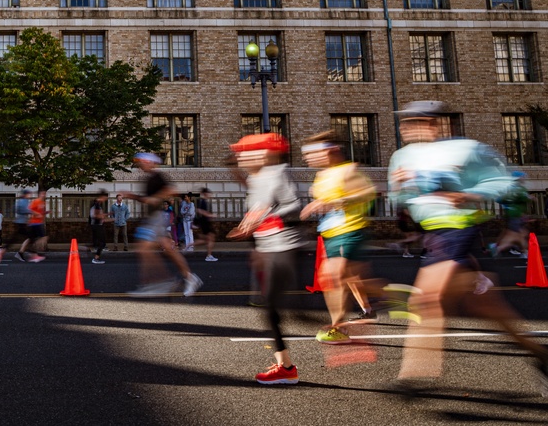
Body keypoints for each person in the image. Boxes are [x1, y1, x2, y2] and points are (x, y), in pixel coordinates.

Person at [388, 100, 548, 393]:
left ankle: (415, 376)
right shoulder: (401, 156)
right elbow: (401, 201)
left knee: (425, 299)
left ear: (434, 124)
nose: (407, 128)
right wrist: (399, 189)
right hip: (433, 237)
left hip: (460, 230)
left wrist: (471, 195)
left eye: (415, 122)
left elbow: (509, 182)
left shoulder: (466, 149)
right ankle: (542, 355)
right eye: (404, 123)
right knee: (489, 308)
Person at [228, 133, 303, 385]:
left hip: (283, 247)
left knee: (274, 308)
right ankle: (286, 367)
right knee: (270, 308)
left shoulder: (278, 173)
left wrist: (261, 220)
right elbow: (260, 210)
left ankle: (288, 368)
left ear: (263, 154)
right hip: (268, 248)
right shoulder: (255, 177)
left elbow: (293, 206)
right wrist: (252, 237)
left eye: (244, 152)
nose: (240, 156)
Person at [299, 130, 380, 345]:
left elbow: (369, 193)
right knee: (346, 279)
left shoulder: (348, 171)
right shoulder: (321, 176)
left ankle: (338, 329)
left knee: (334, 276)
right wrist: (315, 205)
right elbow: (325, 202)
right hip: (331, 235)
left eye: (313, 153)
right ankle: (397, 298)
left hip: (351, 230)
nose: (308, 158)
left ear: (331, 150)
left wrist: (337, 202)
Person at [121, 153, 202, 298]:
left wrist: (155, 198)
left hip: (155, 218)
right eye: (140, 162)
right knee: (169, 250)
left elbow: (172, 191)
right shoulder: (148, 178)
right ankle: (190, 278)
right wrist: (133, 196)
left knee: (143, 249)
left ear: (151, 163)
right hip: (153, 218)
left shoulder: (157, 177)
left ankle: (158, 282)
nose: (141, 165)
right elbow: (147, 200)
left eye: (143, 162)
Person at [490, 172, 530, 258]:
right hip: (515, 215)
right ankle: (499, 248)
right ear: (518, 178)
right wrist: (530, 198)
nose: (524, 178)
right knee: (516, 236)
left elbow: (500, 199)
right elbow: (523, 198)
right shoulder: (519, 189)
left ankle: (497, 247)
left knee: (520, 234)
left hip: (513, 215)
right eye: (522, 177)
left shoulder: (511, 188)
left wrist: (508, 206)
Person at [0, 189, 31, 263]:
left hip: (21, 222)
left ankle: (4, 251)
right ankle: (20, 253)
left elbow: (15, 209)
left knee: (14, 239)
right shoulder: (23, 201)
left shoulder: (22, 200)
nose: (30, 195)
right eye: (29, 194)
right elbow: (23, 210)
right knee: (28, 237)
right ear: (26, 194)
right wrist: (32, 211)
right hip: (21, 222)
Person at [17, 191, 47, 263]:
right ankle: (35, 252)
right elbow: (30, 210)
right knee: (42, 237)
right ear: (39, 194)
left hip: (39, 223)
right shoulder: (36, 201)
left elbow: (40, 212)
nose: (44, 195)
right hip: (34, 223)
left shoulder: (43, 203)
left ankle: (25, 252)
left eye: (45, 194)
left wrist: (45, 213)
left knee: (31, 239)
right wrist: (36, 215)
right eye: (42, 193)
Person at [195, 188, 218, 262]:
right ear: (205, 193)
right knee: (211, 238)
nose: (210, 195)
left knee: (209, 239)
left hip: (205, 222)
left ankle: (189, 245)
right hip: (204, 223)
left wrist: (209, 216)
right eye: (209, 193)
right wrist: (210, 215)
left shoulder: (204, 201)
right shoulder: (202, 201)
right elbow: (199, 210)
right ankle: (209, 256)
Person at [89, 190, 109, 264]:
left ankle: (96, 256)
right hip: (97, 225)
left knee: (100, 242)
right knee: (102, 243)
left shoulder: (97, 204)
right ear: (102, 197)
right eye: (105, 198)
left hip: (97, 225)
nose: (105, 199)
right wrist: (105, 215)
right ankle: (96, 258)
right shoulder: (97, 204)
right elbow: (95, 215)